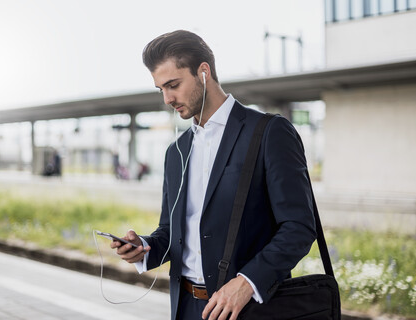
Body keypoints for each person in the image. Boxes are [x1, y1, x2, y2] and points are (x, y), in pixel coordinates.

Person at [110, 30, 316, 320]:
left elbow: (298, 227)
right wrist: (144, 248)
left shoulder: (269, 132)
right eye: (161, 89)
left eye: (173, 85)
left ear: (203, 72)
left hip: (249, 308)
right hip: (186, 308)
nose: (167, 98)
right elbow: (171, 232)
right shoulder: (176, 152)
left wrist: (247, 283)